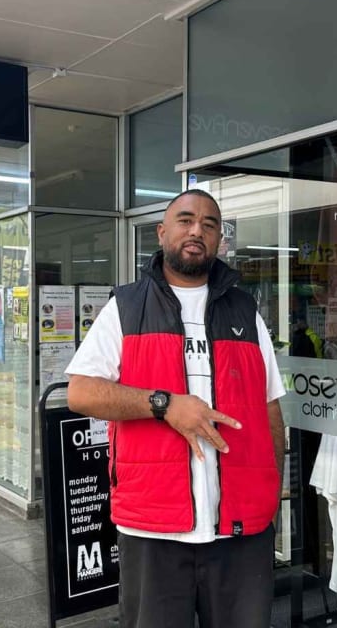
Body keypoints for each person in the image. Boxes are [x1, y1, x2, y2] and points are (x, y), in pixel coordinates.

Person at [65, 189, 287, 628]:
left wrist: (271, 490)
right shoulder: (126, 308)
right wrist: (164, 405)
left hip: (240, 528)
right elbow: (81, 392)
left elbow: (270, 409)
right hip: (153, 528)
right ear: (162, 232)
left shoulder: (245, 310)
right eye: (185, 220)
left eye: (209, 224)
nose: (196, 231)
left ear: (219, 238)